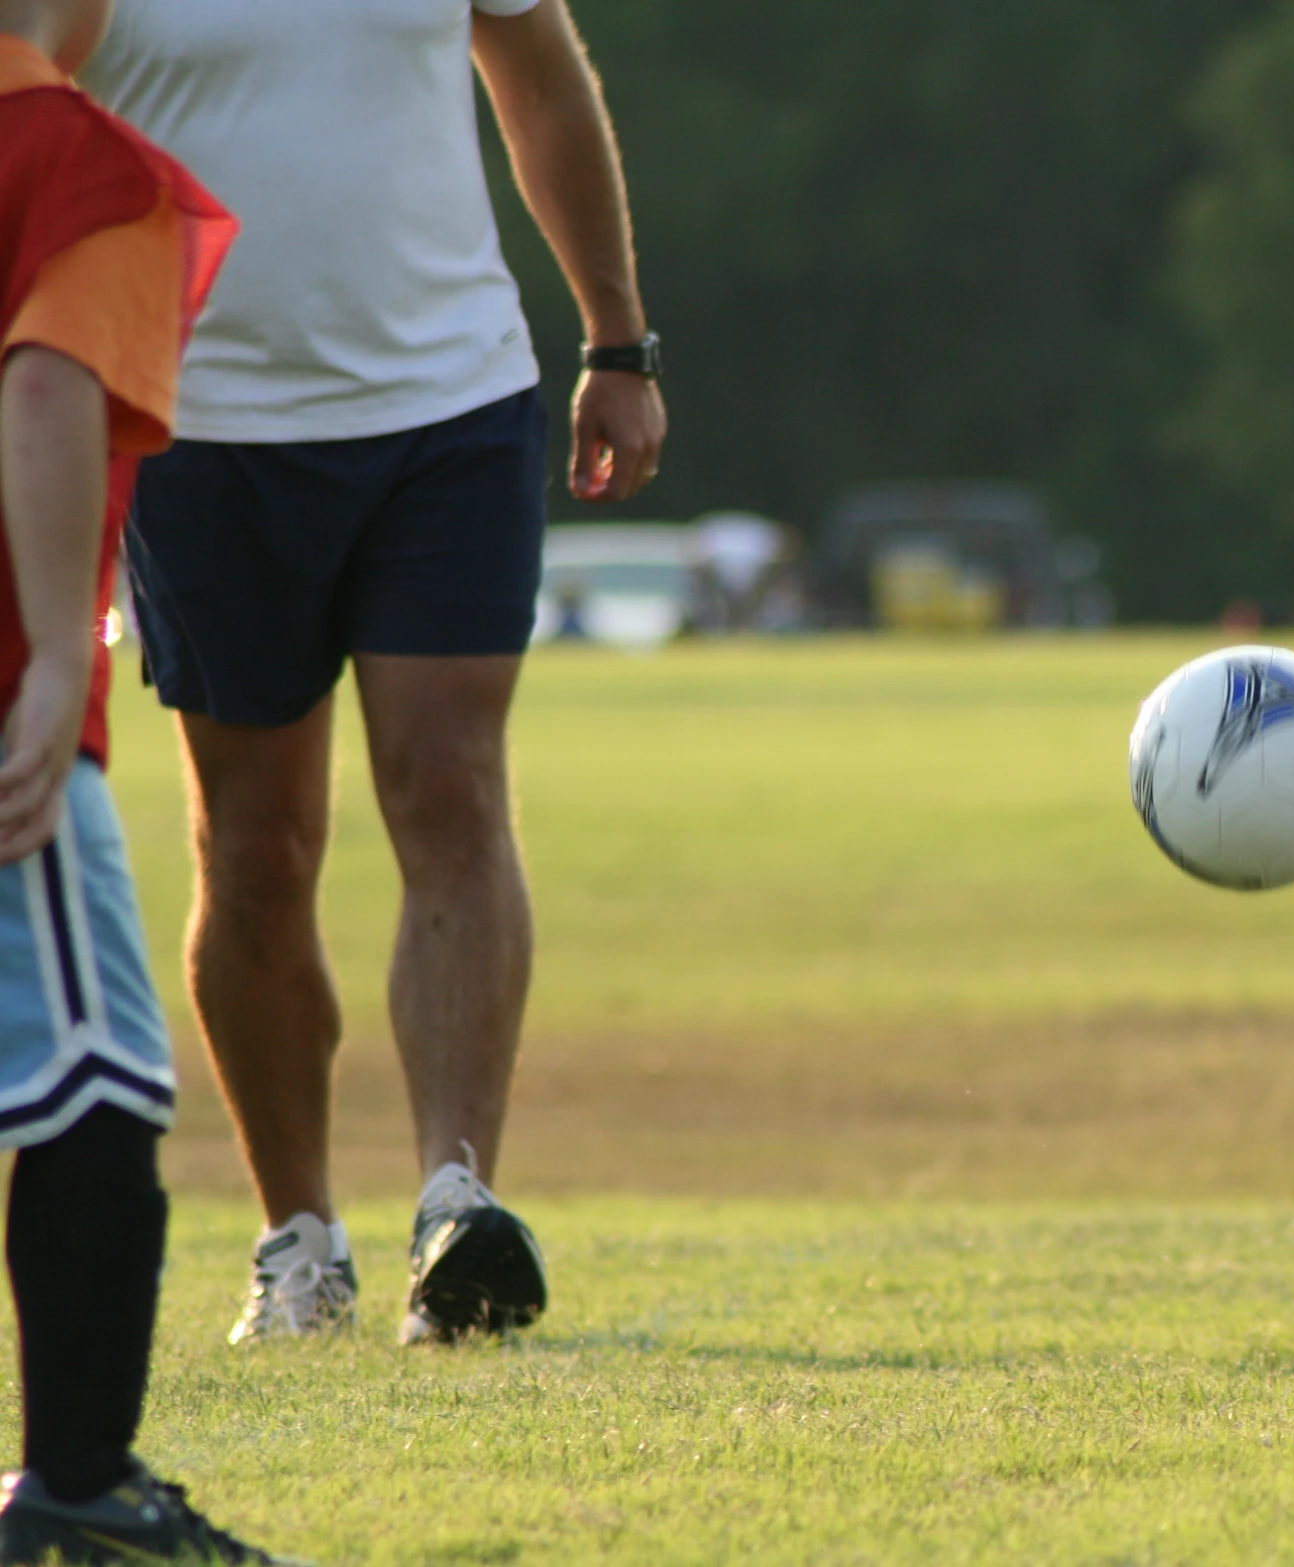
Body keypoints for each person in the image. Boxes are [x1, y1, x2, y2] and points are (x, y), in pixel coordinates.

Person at [79, 0, 667, 1346]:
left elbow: (537, 74)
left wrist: (616, 339)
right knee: (260, 842)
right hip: (200, 425)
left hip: (449, 404)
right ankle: (301, 1243)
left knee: (451, 784)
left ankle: (455, 1210)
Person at [0, 3, 297, 1559]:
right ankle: (81, 1488)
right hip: (1, 710)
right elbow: (47, 383)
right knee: (97, 1079)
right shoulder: (74, 157)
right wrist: (56, 654)